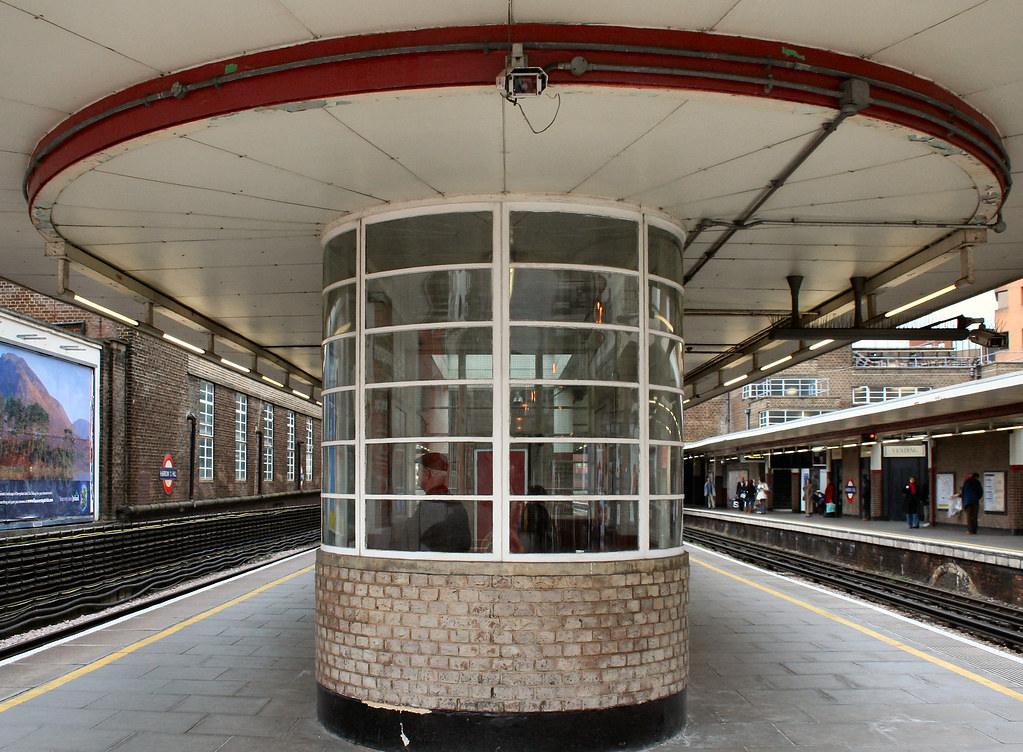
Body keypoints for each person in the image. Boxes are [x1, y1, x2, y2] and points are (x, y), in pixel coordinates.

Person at [393, 452, 472, 552]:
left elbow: (413, 537)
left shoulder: (433, 503)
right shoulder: (452, 501)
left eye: (419, 470)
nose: (417, 473)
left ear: (427, 474)